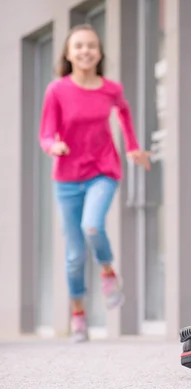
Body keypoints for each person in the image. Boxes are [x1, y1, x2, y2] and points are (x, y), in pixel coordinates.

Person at [38, 24, 150, 343]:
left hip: (103, 168)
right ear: (68, 54)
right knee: (74, 256)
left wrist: (131, 147)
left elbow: (125, 114)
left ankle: (107, 271)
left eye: (91, 46)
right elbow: (46, 131)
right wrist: (51, 146)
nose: (85, 51)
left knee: (92, 226)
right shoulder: (57, 90)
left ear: (99, 53)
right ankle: (78, 314)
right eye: (78, 46)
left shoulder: (110, 89)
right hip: (67, 178)